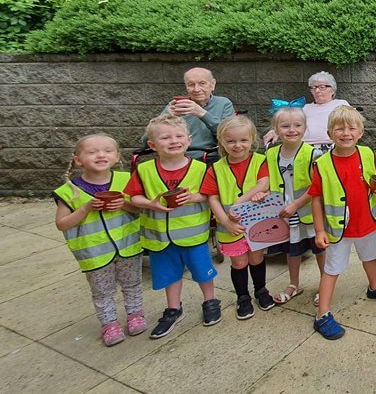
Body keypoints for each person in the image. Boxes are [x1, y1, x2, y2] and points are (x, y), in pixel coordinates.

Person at [126, 114, 221, 339]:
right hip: (159, 237)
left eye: (179, 136)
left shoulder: (200, 168)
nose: (173, 141)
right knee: (169, 275)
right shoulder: (144, 170)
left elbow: (210, 194)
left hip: (193, 236)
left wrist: (194, 197)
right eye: (166, 137)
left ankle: (210, 300)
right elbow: (132, 197)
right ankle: (173, 308)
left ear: (189, 140)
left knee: (202, 272)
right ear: (152, 145)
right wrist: (150, 204)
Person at [310, 106, 376, 340]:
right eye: (339, 128)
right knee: (331, 269)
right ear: (330, 133)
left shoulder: (368, 153)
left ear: (361, 132)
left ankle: (375, 287)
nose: (346, 133)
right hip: (338, 229)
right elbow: (316, 199)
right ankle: (322, 315)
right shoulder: (322, 164)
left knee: (370, 256)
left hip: (368, 222)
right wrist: (319, 230)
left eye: (352, 128)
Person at [54, 134, 145, 346]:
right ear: (78, 160)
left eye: (107, 151)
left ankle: (135, 315)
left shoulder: (125, 180)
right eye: (92, 152)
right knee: (102, 291)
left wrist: (123, 204)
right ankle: (109, 324)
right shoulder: (70, 192)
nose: (101, 155)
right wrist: (85, 208)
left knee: (132, 283)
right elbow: (62, 224)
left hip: (128, 246)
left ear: (116, 157)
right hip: (94, 252)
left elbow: (138, 209)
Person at [202, 116, 275, 320]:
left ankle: (261, 290)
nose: (237, 145)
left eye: (243, 140)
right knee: (239, 262)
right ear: (221, 142)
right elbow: (212, 198)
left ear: (252, 139)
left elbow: (263, 184)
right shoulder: (215, 169)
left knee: (257, 258)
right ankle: (243, 297)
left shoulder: (260, 160)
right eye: (231, 141)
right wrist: (224, 222)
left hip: (257, 224)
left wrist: (243, 201)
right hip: (231, 226)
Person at [267, 106, 326, 306]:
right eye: (285, 126)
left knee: (319, 249)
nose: (292, 130)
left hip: (309, 212)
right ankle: (294, 284)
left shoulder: (313, 154)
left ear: (305, 127)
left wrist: (297, 204)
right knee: (292, 249)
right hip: (284, 214)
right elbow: (267, 181)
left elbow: (317, 186)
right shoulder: (271, 154)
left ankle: (325, 283)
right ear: (275, 128)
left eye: (297, 125)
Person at [150, 67, 236, 157]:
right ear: (186, 87)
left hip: (210, 157)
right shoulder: (177, 106)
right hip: (176, 157)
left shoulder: (223, 103)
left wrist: (202, 113)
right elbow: (147, 140)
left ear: (212, 84)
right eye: (191, 84)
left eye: (202, 83)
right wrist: (166, 115)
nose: (196, 89)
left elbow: (232, 135)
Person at [263, 71, 350, 154]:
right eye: (314, 87)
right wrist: (274, 131)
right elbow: (288, 121)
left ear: (333, 90)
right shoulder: (305, 108)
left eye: (322, 87)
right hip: (305, 148)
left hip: (332, 146)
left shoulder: (341, 104)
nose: (317, 91)